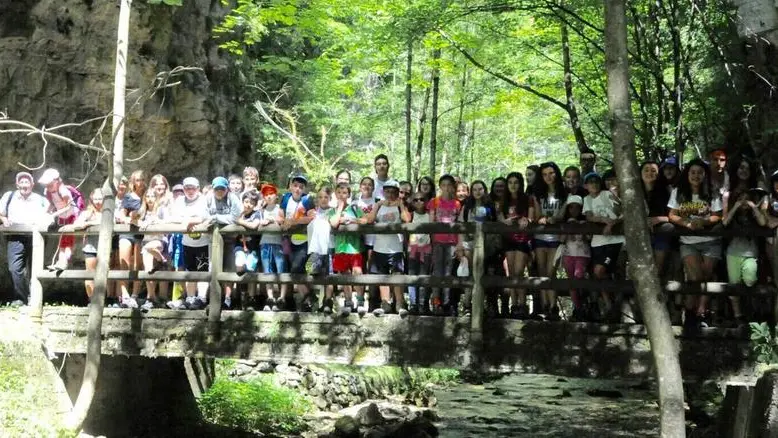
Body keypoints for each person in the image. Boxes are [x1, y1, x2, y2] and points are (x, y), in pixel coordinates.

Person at [667, 159, 722, 329]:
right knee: (696, 278)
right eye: (693, 172)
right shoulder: (678, 192)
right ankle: (693, 313)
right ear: (687, 174)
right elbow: (672, 215)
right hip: (688, 242)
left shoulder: (712, 192)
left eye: (700, 172)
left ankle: (698, 312)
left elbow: (717, 215)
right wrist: (687, 223)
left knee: (705, 276)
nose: (696, 176)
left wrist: (703, 222)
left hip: (710, 241)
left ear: (705, 174)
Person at [0, 172, 51, 306]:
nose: (24, 185)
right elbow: (1, 213)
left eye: (27, 182)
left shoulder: (41, 199)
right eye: (21, 182)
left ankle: (35, 298)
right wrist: (4, 220)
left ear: (32, 185)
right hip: (15, 236)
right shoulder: (9, 196)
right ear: (17, 184)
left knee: (35, 267)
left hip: (36, 236)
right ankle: (21, 297)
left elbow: (50, 213)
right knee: (14, 268)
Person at [364, 180, 411, 316]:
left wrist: (401, 205)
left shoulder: (399, 205)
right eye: (387, 191)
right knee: (381, 275)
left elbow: (407, 220)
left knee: (397, 275)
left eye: (393, 192)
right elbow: (369, 220)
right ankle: (385, 303)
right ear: (383, 192)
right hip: (379, 247)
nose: (390, 194)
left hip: (395, 247)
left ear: (397, 193)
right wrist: (377, 205)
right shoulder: (379, 205)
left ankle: (399, 304)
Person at [583, 172, 625, 322]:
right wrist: (602, 219)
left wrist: (612, 223)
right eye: (590, 182)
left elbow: (622, 211)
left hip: (614, 241)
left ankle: (614, 306)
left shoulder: (607, 194)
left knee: (602, 271)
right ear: (585, 186)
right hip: (597, 242)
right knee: (598, 273)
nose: (594, 184)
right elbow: (588, 215)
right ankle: (609, 304)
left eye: (596, 181)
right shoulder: (586, 199)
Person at [167, 177, 211, 310]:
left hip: (203, 242)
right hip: (186, 241)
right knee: (189, 270)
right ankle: (190, 297)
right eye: (187, 188)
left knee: (202, 269)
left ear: (198, 188)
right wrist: (190, 220)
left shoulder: (204, 200)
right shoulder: (180, 201)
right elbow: (174, 217)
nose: (190, 191)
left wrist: (189, 220)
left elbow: (204, 217)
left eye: (193, 188)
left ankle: (201, 297)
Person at [532, 162, 567, 320]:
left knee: (551, 271)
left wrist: (554, 218)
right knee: (541, 272)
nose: (548, 177)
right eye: (545, 174)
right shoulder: (538, 193)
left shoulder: (564, 192)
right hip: (540, 237)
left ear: (557, 173)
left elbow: (562, 214)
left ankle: (553, 307)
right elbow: (538, 215)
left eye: (551, 173)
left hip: (556, 237)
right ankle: (545, 305)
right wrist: (544, 218)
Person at [459, 180, 498, 316]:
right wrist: (461, 245)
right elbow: (461, 226)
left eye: (480, 189)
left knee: (486, 274)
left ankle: (488, 306)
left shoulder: (491, 206)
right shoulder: (466, 206)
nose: (477, 192)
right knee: (472, 273)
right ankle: (467, 305)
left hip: (487, 245)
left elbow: (496, 223)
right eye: (474, 189)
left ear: (484, 190)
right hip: (469, 243)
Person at [499, 172, 534, 319]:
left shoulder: (527, 199)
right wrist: (504, 221)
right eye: (510, 182)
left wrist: (527, 219)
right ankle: (514, 305)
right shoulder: (504, 200)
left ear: (520, 184)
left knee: (519, 272)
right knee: (512, 273)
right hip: (509, 239)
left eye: (516, 182)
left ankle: (522, 304)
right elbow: (500, 215)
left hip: (523, 239)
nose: (513, 185)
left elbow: (531, 216)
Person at [329, 182, 366, 316]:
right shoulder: (332, 210)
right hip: (340, 249)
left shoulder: (355, 208)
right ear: (335, 194)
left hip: (354, 248)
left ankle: (360, 301)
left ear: (349, 194)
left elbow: (364, 220)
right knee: (344, 276)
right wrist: (339, 210)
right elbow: (333, 223)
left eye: (345, 193)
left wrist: (352, 220)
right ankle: (348, 302)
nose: (342, 195)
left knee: (357, 273)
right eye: (339, 193)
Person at [428, 174, 462, 316]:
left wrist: (459, 243)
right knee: (437, 272)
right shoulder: (434, 202)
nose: (447, 188)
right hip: (437, 242)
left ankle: (447, 303)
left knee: (448, 273)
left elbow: (460, 225)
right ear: (440, 186)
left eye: (449, 185)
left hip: (452, 242)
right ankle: (436, 302)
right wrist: (430, 242)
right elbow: (430, 223)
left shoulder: (457, 204)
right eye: (444, 185)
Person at [280, 174, 316, 310]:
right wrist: (283, 222)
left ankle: (308, 296)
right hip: (287, 240)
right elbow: (281, 214)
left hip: (303, 241)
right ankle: (306, 300)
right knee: (291, 269)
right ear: (290, 186)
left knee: (297, 270)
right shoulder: (285, 198)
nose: (297, 189)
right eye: (295, 186)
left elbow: (312, 217)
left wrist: (294, 221)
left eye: (301, 187)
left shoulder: (307, 200)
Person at [39, 168, 79, 271]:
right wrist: (47, 212)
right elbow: (53, 203)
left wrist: (54, 214)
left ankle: (64, 262)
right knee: (62, 242)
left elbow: (68, 206)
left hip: (71, 218)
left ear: (56, 181)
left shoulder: (63, 190)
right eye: (46, 185)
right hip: (62, 218)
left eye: (50, 184)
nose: (48, 187)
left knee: (68, 243)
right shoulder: (49, 192)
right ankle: (60, 263)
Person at [117, 170, 147, 308]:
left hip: (142, 233)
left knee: (138, 265)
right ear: (133, 182)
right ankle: (124, 295)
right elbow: (122, 215)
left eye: (141, 179)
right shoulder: (128, 197)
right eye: (137, 180)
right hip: (128, 232)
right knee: (124, 263)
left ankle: (134, 295)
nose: (139, 182)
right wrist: (129, 219)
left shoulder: (147, 195)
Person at [559, 195, 590, 321]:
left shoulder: (586, 222)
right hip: (568, 253)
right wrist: (568, 229)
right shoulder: (564, 223)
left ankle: (584, 305)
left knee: (579, 277)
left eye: (577, 207)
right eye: (571, 207)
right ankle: (577, 308)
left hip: (582, 254)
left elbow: (589, 238)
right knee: (571, 281)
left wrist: (580, 227)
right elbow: (561, 239)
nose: (574, 210)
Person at [139, 188, 169, 310]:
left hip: (158, 240)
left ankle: (161, 259)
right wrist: (139, 223)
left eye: (152, 196)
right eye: (148, 196)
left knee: (149, 247)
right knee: (148, 270)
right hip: (146, 240)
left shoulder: (161, 210)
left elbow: (167, 221)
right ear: (145, 198)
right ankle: (151, 297)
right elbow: (134, 219)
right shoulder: (142, 211)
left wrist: (152, 221)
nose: (150, 199)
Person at [258, 184, 287, 311]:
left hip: (278, 243)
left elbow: (282, 222)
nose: (269, 196)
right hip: (264, 242)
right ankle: (270, 298)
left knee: (281, 270)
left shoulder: (279, 209)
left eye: (271, 194)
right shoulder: (261, 210)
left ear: (276, 195)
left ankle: (282, 297)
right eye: (266, 194)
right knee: (267, 271)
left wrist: (270, 220)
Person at [74, 188, 104, 300]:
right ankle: (91, 299)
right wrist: (85, 223)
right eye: (95, 198)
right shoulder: (87, 213)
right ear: (91, 199)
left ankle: (102, 299)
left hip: (106, 248)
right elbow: (77, 224)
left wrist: (89, 223)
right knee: (89, 274)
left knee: (102, 274)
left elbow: (110, 223)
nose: (98, 201)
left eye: (100, 198)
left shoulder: (108, 213)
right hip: (90, 247)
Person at [234, 190, 263, 310]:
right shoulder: (239, 213)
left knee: (251, 270)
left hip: (253, 248)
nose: (248, 204)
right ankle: (243, 293)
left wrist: (240, 222)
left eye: (251, 202)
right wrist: (239, 218)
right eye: (246, 201)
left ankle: (251, 298)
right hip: (240, 246)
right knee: (240, 266)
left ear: (255, 204)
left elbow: (254, 225)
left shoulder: (257, 214)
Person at [307, 187, 334, 312]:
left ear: (330, 199)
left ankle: (327, 301)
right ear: (317, 200)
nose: (323, 200)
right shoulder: (313, 213)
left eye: (326, 197)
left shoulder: (333, 212)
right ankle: (315, 299)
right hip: (316, 249)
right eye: (320, 197)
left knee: (329, 275)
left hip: (329, 247)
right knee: (313, 271)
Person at [407, 191, 432, 315]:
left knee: (424, 277)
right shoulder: (410, 216)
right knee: (412, 277)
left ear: (426, 201)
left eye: (422, 199)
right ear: (412, 202)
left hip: (426, 249)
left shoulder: (430, 215)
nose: (419, 202)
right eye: (415, 200)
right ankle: (413, 304)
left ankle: (422, 304)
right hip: (412, 249)